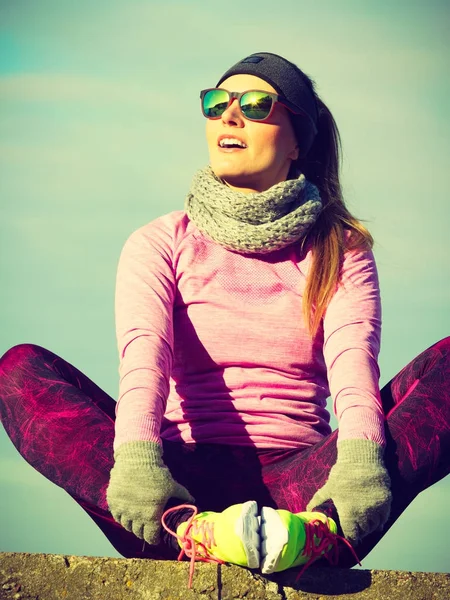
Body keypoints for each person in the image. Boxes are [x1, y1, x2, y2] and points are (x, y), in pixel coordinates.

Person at [1, 52, 449, 589]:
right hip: (178, 484)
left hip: (302, 490)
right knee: (19, 369)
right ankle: (193, 535)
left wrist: (356, 473)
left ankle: (312, 538)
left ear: (297, 141)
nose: (229, 116)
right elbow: (144, 359)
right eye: (217, 103)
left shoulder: (340, 247)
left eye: (256, 105)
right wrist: (142, 467)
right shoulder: (159, 241)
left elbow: (355, 365)